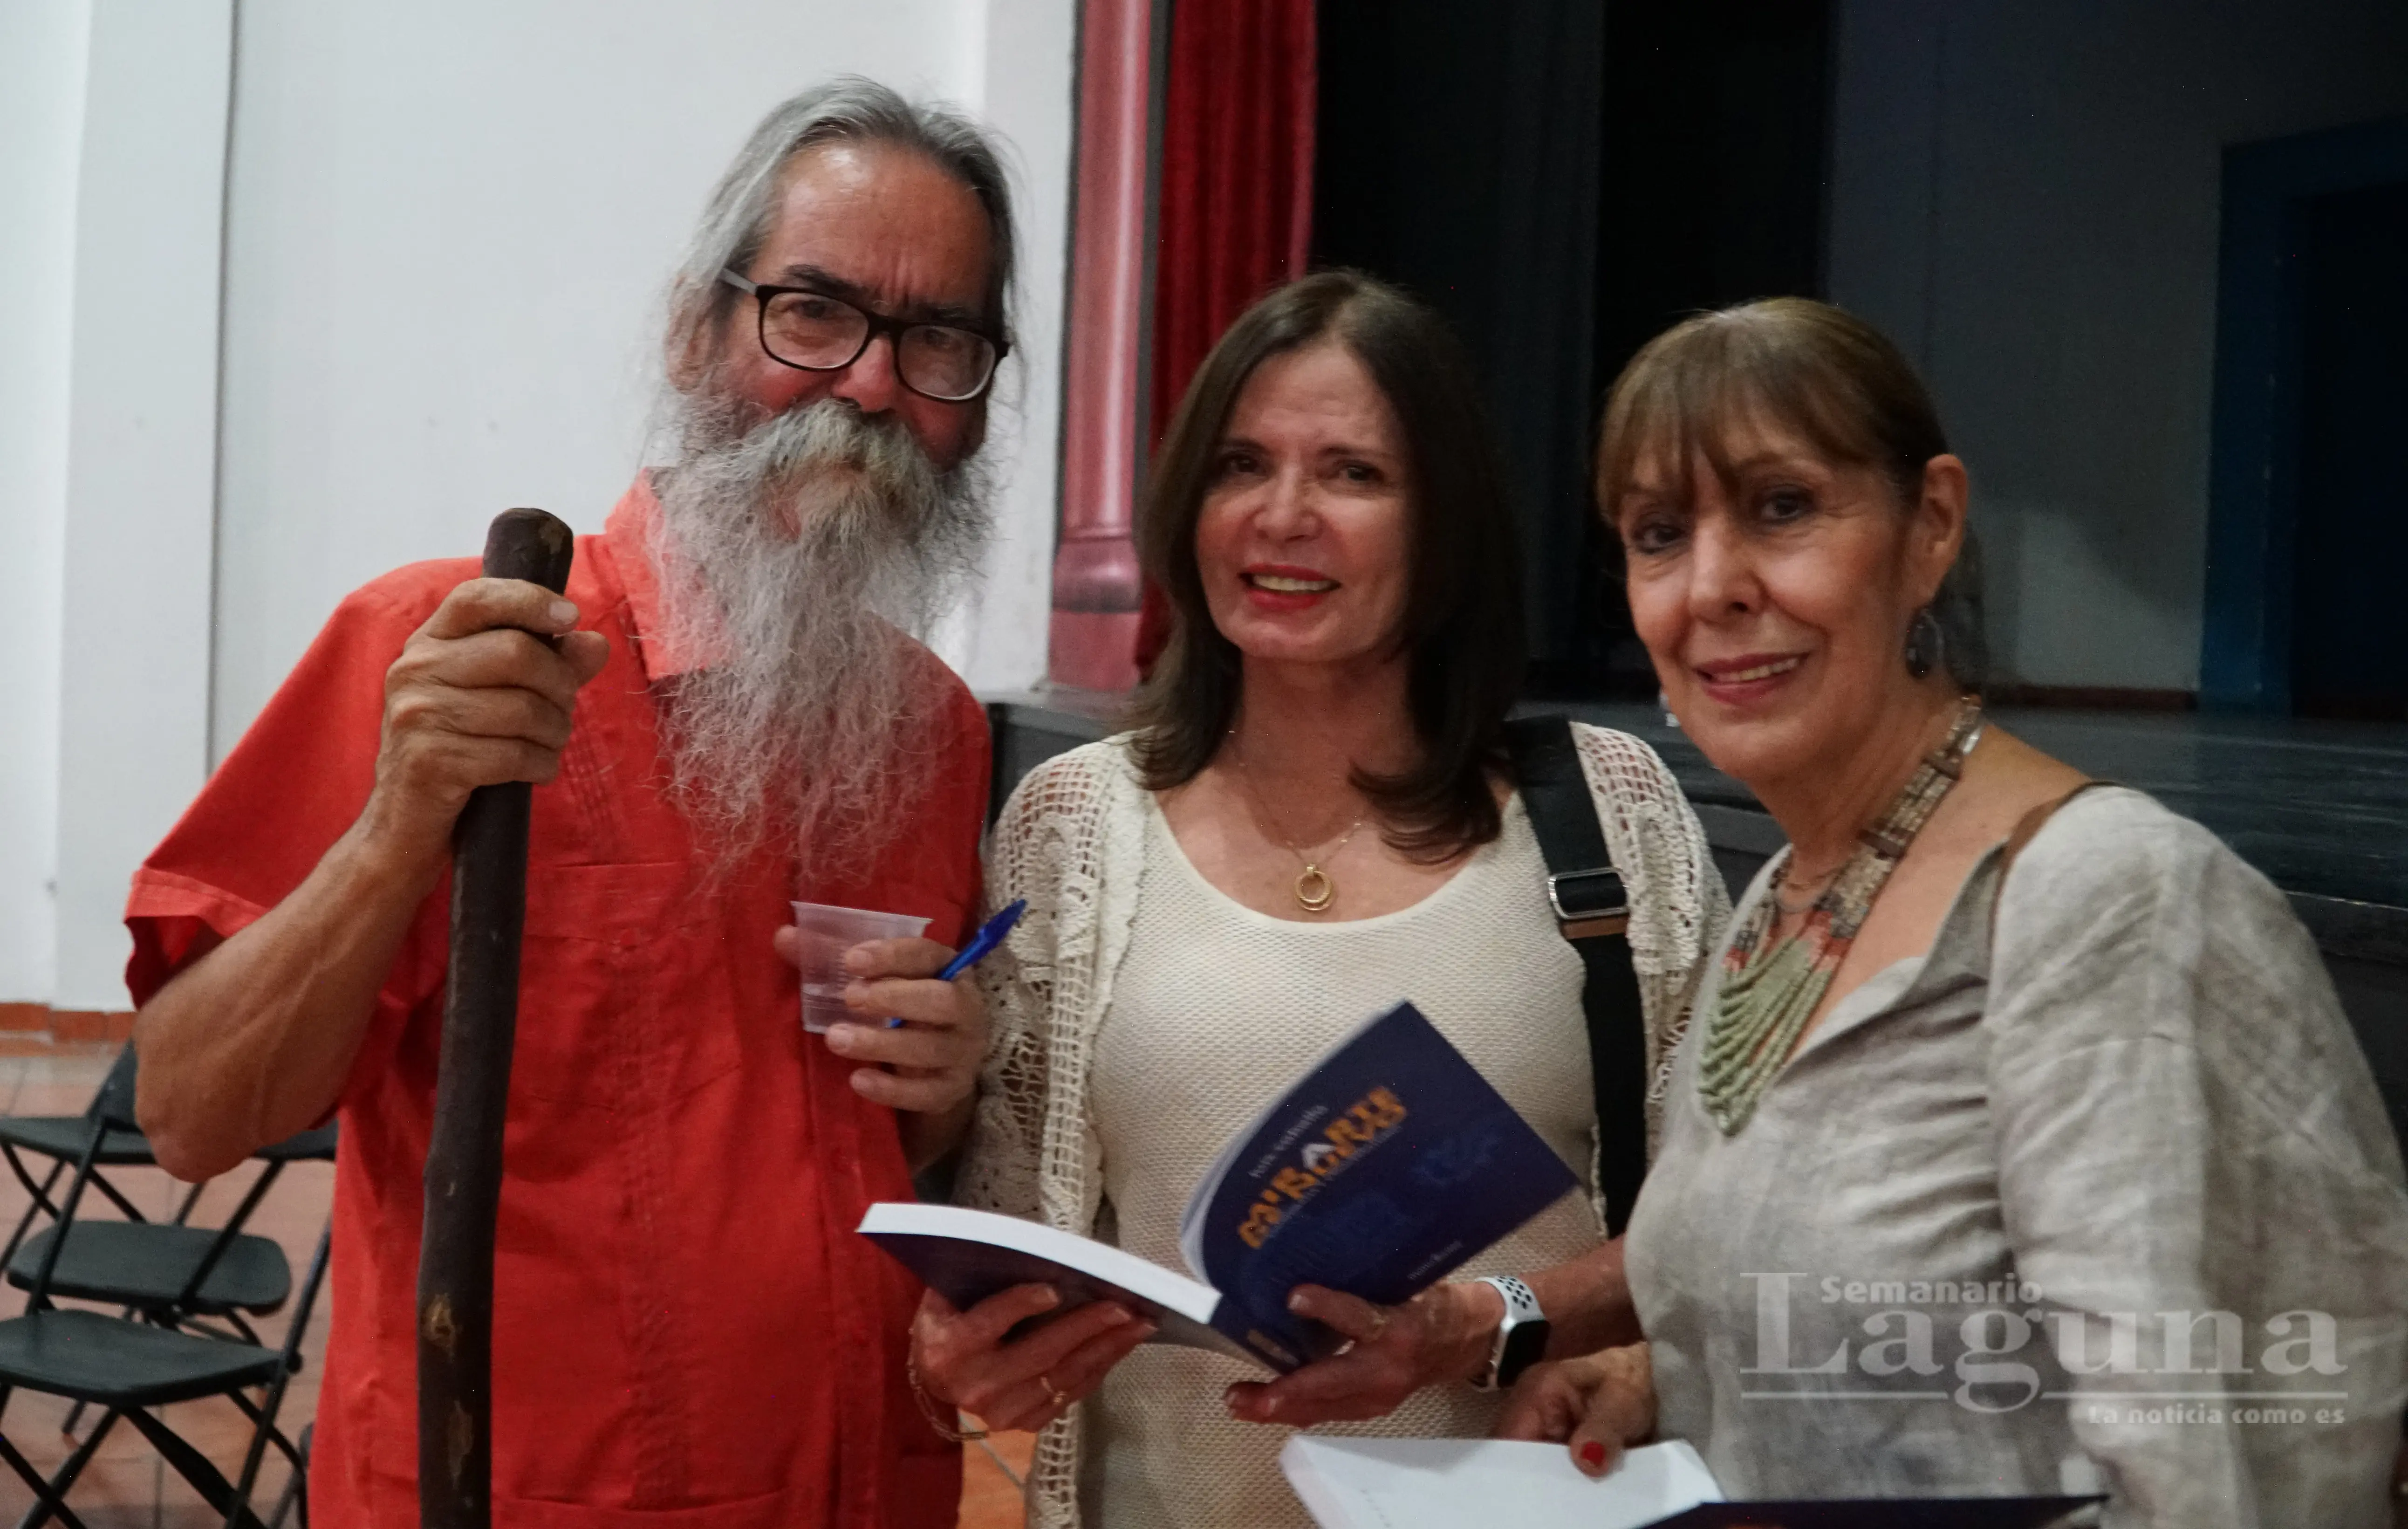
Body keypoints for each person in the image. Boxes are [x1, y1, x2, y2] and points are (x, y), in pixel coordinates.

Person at [126, 79, 1015, 1528]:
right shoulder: (452, 645)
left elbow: (863, 1152)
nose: (870, 383)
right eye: (812, 311)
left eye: (939, 339)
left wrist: (946, 1085)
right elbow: (192, 1113)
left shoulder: (933, 729)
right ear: (694, 328)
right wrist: (398, 824)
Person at [1502, 297, 2408, 1526]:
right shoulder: (1784, 896)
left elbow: (2203, 1476)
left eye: (1782, 507)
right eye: (1660, 534)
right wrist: (1669, 1380)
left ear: (1929, 525)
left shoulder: (2110, 901)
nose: (1712, 586)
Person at [917, 271, 1731, 1529]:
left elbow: (1729, 1212)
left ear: (1444, 523)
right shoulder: (1072, 824)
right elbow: (1010, 1232)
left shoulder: (1607, 809)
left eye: (1353, 473)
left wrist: (1579, 1346)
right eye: (1243, 465)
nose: (1282, 516)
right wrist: (970, 1344)